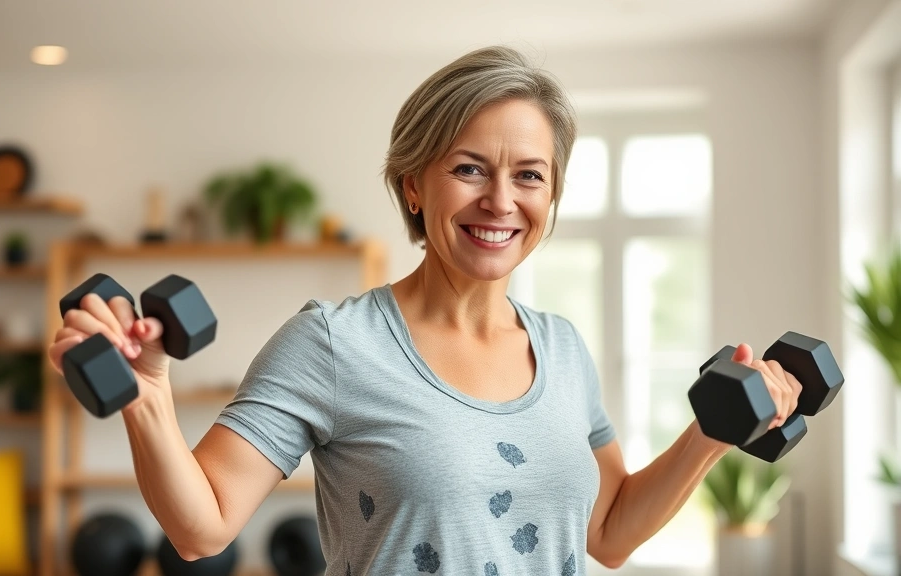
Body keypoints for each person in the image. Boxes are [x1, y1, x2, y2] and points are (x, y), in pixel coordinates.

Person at [48, 45, 802, 575]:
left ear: (552, 195)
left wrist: (711, 436)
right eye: (468, 169)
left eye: (529, 176)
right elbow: (198, 529)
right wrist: (147, 400)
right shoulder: (335, 342)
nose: (500, 201)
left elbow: (607, 535)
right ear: (414, 184)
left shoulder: (563, 348)